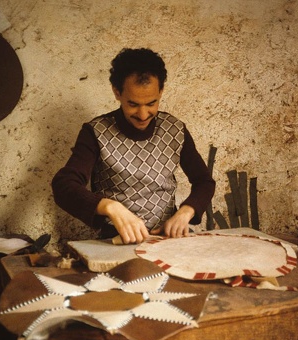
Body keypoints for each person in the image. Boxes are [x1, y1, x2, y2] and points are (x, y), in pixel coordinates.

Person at [52, 48, 215, 244]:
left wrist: (186, 211)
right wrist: (110, 207)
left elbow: (204, 182)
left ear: (161, 91)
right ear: (117, 92)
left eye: (151, 103)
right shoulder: (96, 132)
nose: (143, 114)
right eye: (133, 104)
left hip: (167, 239)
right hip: (117, 241)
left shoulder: (175, 129)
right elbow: (63, 185)